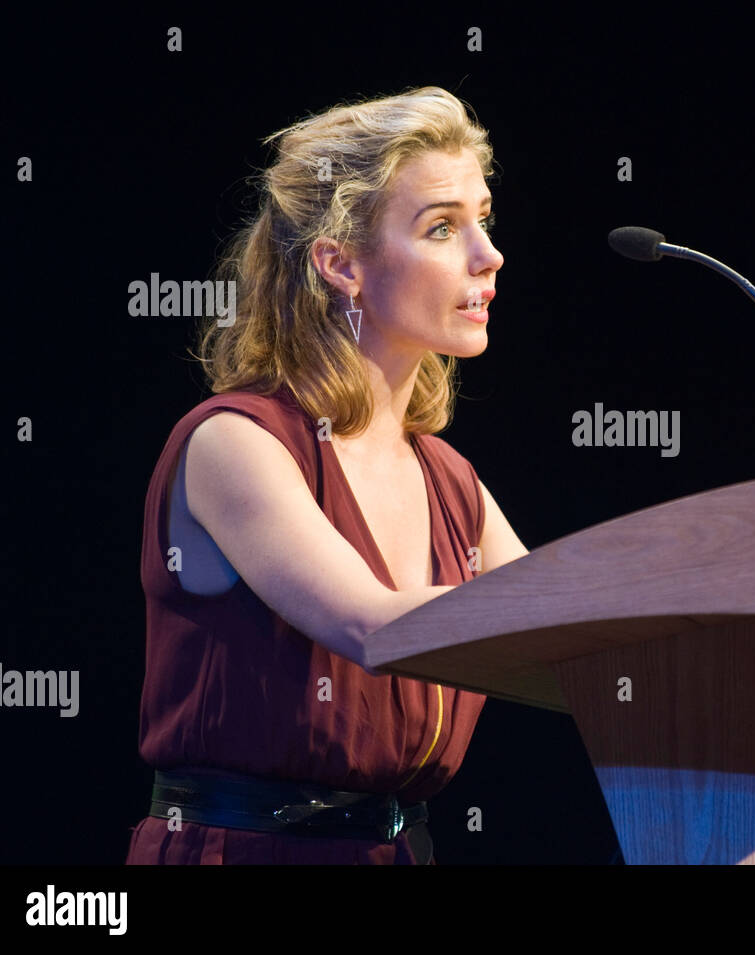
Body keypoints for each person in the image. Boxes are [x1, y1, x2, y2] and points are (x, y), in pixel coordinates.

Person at [125, 86, 528, 864]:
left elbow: (566, 631)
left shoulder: (451, 479)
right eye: (444, 227)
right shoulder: (233, 443)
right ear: (340, 263)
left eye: (485, 219)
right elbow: (375, 626)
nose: (489, 254)